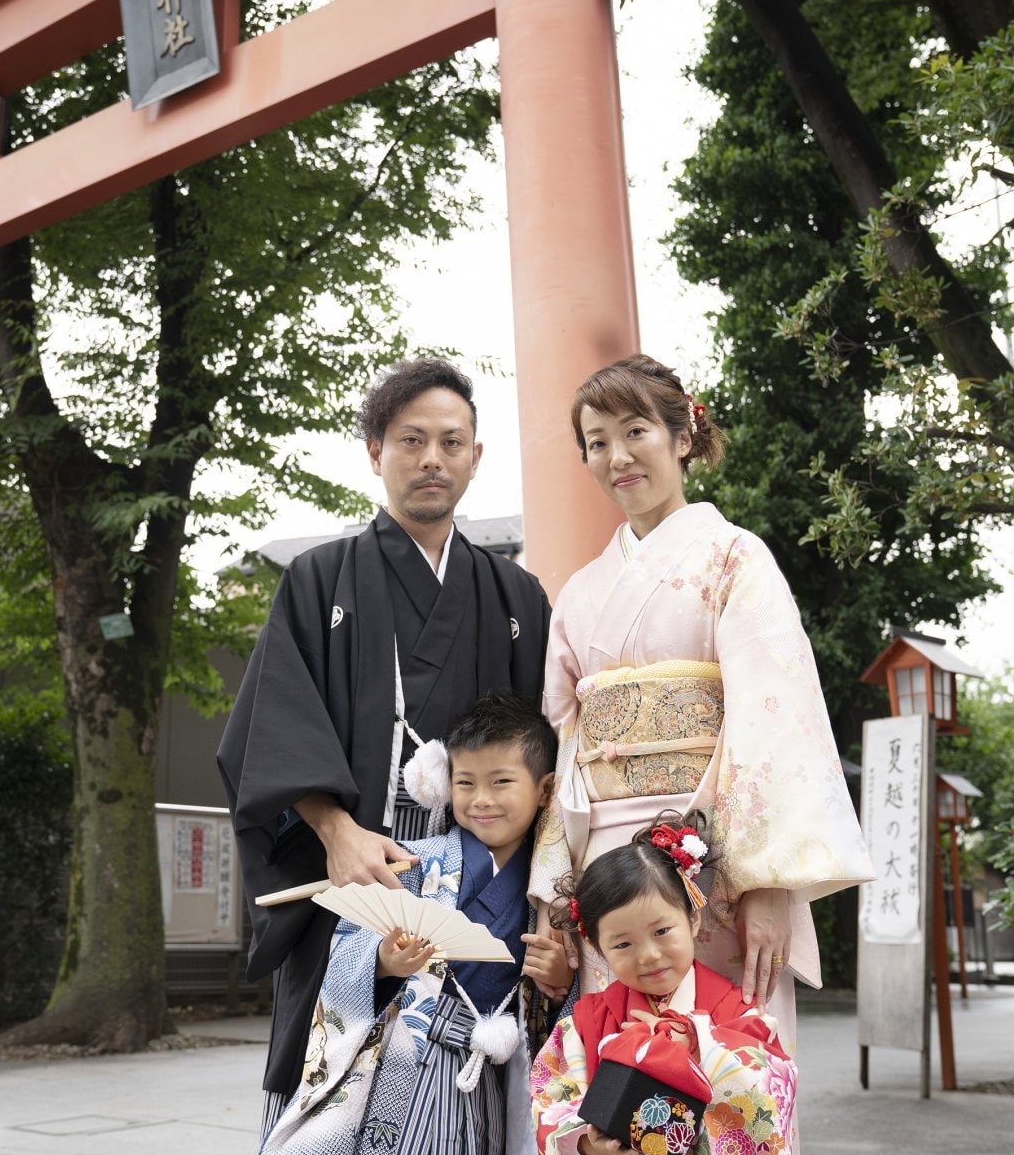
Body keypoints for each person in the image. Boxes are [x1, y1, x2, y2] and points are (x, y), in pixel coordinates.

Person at [218, 359, 551, 1122]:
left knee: (471, 1102)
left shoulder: (517, 598)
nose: (432, 459)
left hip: (483, 904)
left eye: (451, 442)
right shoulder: (317, 580)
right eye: (411, 440)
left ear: (475, 456)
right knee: (334, 1101)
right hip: (354, 891)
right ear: (375, 451)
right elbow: (267, 730)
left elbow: (547, 758)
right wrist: (334, 832)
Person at [528, 355, 872, 1063]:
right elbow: (565, 745)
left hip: (713, 864)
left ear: (682, 435)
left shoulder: (734, 558)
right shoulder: (581, 595)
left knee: (730, 1071)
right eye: (596, 442)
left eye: (635, 431)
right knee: (619, 1077)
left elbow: (776, 719)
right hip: (607, 879)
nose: (616, 457)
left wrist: (768, 881)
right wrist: (555, 891)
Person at [261, 691, 572, 1155]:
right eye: (465, 783)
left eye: (501, 781)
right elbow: (346, 955)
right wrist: (384, 961)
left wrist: (559, 981)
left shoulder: (549, 892)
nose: (481, 800)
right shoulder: (414, 864)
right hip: (405, 1053)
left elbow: (558, 1008)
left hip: (487, 1069)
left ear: (545, 789)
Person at [531, 812, 797, 1155]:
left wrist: (701, 1045)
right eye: (624, 944)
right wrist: (585, 1144)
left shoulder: (735, 1012)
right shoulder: (587, 1020)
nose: (649, 955)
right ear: (597, 948)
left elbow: (772, 1094)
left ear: (693, 917)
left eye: (661, 931)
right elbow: (549, 1097)